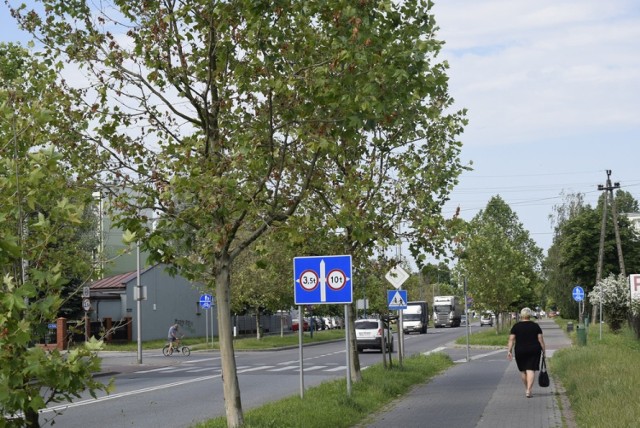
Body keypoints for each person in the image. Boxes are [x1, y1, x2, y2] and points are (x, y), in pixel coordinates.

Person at [507, 307, 546, 398]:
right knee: (531, 369)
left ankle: (527, 389)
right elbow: (540, 340)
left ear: (521, 315)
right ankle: (528, 390)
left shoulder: (516, 326)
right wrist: (544, 350)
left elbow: (511, 340)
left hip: (520, 350)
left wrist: (509, 351)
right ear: (530, 315)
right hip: (534, 350)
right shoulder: (535, 326)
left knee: (523, 371)